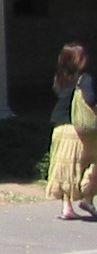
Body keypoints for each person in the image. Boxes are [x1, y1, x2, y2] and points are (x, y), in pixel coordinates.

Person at [44, 43, 96, 220]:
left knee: (66, 167)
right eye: (83, 56)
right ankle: (87, 198)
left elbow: (59, 93)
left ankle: (67, 208)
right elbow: (90, 99)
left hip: (60, 126)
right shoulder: (85, 78)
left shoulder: (60, 78)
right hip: (78, 128)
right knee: (91, 162)